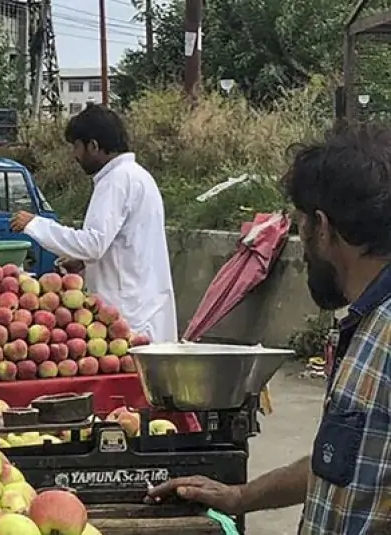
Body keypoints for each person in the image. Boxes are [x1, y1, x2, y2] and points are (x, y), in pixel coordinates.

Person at [147, 123, 391, 533]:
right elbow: (341, 463)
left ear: (323, 227)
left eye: (301, 227)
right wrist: (241, 496)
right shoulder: (365, 325)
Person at [10, 104, 177, 342]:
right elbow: (123, 243)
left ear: (94, 146)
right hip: (144, 305)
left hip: (127, 313)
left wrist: (36, 224)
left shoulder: (115, 181)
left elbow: (94, 243)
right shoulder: (138, 176)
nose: (75, 156)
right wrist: (83, 262)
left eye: (76, 147)